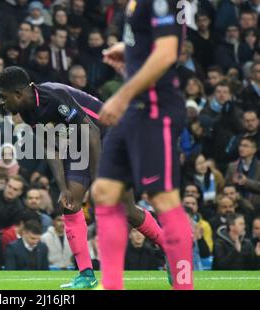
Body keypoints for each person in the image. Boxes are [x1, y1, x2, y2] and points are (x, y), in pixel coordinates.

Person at [0, 66, 166, 288]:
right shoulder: (27, 109)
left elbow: (93, 132)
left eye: (2, 97)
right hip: (81, 145)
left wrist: (98, 183)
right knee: (70, 203)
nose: (1, 102)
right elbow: (49, 148)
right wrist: (63, 187)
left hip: (110, 138)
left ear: (17, 93)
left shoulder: (53, 98)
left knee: (128, 211)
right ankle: (86, 275)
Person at [93, 0, 193, 290]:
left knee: (163, 198)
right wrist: (130, 51)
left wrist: (121, 96)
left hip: (154, 109)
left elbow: (166, 54)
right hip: (135, 111)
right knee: (105, 191)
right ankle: (112, 286)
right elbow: (153, 45)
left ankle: (184, 286)